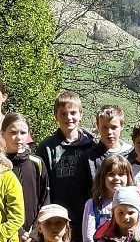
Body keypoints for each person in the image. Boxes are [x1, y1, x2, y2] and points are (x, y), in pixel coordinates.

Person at [37, 91, 96, 232]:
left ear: (80, 115)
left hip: (86, 215)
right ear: (55, 115)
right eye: (62, 113)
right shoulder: (47, 147)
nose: (68, 117)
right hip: (57, 215)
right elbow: (41, 185)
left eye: (73, 113)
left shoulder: (91, 146)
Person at [2, 113, 49, 242]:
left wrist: (36, 231)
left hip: (34, 237)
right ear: (3, 134)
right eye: (13, 132)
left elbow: (45, 198)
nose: (18, 137)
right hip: (8, 239)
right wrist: (17, 231)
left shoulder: (37, 163)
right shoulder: (0, 165)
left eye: (23, 132)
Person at [75, 104, 133, 203]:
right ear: (98, 127)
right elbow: (79, 191)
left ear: (122, 126)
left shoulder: (132, 154)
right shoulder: (89, 157)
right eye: (104, 127)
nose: (109, 132)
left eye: (113, 127)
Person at [81, 155, 134, 242]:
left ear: (128, 177)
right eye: (111, 174)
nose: (116, 178)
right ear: (103, 177)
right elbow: (87, 238)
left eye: (121, 174)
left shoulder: (135, 202)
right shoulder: (93, 204)